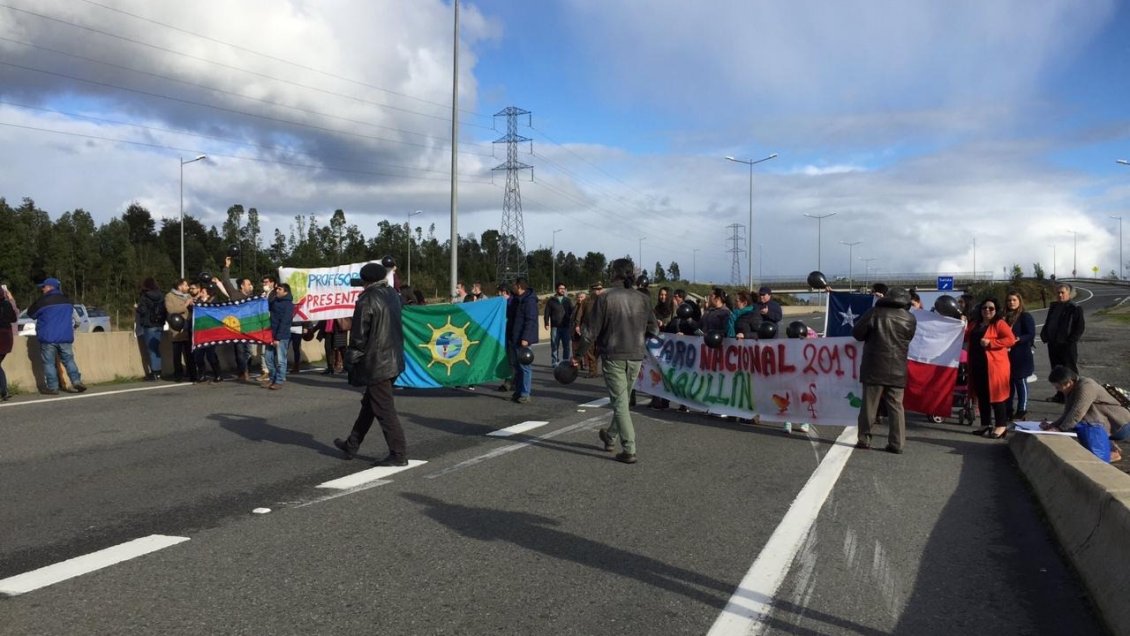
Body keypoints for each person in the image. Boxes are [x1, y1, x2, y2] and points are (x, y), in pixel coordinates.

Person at [575, 258, 658, 464]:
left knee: (620, 403)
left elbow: (589, 332)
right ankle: (610, 436)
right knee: (623, 401)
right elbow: (654, 328)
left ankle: (629, 449)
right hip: (636, 355)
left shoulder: (605, 298)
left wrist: (577, 356)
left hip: (614, 355)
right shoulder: (643, 298)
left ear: (615, 274)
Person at [334, 262, 409, 466]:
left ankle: (398, 453)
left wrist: (351, 359)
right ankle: (351, 444)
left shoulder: (366, 299)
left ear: (366, 281)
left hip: (377, 362)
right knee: (369, 405)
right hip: (393, 358)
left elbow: (359, 336)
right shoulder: (392, 294)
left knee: (384, 409)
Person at [852, 286, 916, 453]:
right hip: (898, 367)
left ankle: (864, 439)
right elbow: (908, 338)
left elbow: (857, 333)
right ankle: (897, 443)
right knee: (896, 407)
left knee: (869, 406)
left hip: (874, 366)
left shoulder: (875, 312)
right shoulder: (910, 318)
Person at [1040, 366, 1128, 462]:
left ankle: (1109, 450)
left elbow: (1077, 412)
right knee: (1078, 422)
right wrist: (1053, 426)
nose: (1057, 390)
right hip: (1106, 423)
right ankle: (1111, 447)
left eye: (1058, 387)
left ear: (1069, 383)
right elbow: (1068, 413)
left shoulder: (1086, 387)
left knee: (1084, 421)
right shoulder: (1072, 388)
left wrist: (1060, 429)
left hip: (1120, 425)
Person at [966, 297, 1017, 439]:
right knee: (982, 395)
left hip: (995, 367)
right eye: (984, 308)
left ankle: (1001, 426)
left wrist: (991, 343)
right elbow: (964, 336)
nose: (987, 310)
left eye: (991, 308)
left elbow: (1010, 339)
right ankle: (985, 424)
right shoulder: (975, 324)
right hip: (978, 364)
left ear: (996, 310)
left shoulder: (1000, 324)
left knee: (997, 396)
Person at [26, 277, 86, 395]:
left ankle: (53, 387)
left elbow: (30, 313)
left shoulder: (42, 301)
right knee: (69, 360)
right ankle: (76, 381)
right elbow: (76, 319)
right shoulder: (67, 301)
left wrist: (38, 302)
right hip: (65, 337)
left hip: (48, 338)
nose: (42, 289)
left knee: (49, 363)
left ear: (49, 287)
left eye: (43, 287)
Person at [1040, 283, 1085, 403]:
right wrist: (1045, 334)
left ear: (1068, 294)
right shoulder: (1054, 306)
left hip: (1067, 346)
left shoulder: (1074, 308)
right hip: (1053, 344)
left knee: (1070, 371)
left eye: (1062, 292)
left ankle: (1074, 397)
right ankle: (1060, 396)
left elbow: (1079, 328)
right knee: (1057, 371)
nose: (1060, 295)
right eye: (1058, 293)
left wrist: (1070, 341)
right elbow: (1048, 322)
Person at [218, 256, 255, 381]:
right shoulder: (235, 294)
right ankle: (243, 371)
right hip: (237, 328)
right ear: (242, 286)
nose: (251, 286)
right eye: (248, 284)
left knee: (248, 352)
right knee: (239, 351)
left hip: (249, 328)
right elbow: (226, 281)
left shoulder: (253, 298)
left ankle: (246, 369)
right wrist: (227, 267)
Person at [1003, 290, 1036, 421]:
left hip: (1021, 356)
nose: (1011, 303)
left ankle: (1022, 409)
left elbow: (1030, 334)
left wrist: (1018, 339)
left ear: (1019, 301)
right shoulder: (1004, 317)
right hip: (1007, 357)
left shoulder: (1025, 316)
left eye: (1014, 300)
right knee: (1008, 384)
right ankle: (1008, 409)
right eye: (1009, 300)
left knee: (1020, 383)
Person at [508, 277, 539, 403]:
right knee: (517, 367)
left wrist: (526, 338)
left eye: (514, 285)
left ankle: (525, 394)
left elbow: (530, 320)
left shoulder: (529, 301)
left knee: (525, 367)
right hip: (514, 337)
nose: (513, 287)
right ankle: (518, 391)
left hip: (523, 339)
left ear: (519, 286)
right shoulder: (516, 300)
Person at [164, 278, 196, 382]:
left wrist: (193, 305)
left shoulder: (188, 296)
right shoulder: (169, 296)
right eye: (186, 286)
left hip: (188, 328)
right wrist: (186, 304)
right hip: (176, 329)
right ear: (179, 286)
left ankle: (192, 374)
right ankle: (178, 375)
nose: (188, 288)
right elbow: (171, 310)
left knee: (189, 353)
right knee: (177, 354)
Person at [191, 284, 224, 384]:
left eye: (203, 292)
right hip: (200, 332)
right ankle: (202, 375)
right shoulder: (198, 302)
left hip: (211, 332)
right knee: (198, 356)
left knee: (211, 355)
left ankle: (218, 374)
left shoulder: (214, 301)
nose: (201, 293)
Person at [264, 283, 294, 389]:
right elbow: (265, 305)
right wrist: (269, 292)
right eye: (277, 289)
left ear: (285, 292)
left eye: (279, 289)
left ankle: (279, 381)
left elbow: (285, 322)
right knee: (268, 358)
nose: (277, 291)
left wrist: (278, 337)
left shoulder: (289, 305)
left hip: (281, 336)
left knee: (281, 360)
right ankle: (272, 378)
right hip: (270, 334)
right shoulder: (274, 301)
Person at [136, 277, 166, 381]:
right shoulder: (161, 295)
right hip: (159, 324)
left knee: (151, 350)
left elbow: (143, 310)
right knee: (156, 349)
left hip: (149, 325)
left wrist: (137, 307)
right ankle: (158, 372)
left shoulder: (145, 297)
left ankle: (154, 373)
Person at [544, 282, 573, 366]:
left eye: (564, 289)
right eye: (561, 288)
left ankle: (565, 361)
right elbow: (547, 313)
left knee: (566, 345)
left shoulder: (567, 300)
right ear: (556, 289)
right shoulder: (551, 301)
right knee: (554, 345)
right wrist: (546, 323)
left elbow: (572, 312)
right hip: (555, 327)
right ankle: (554, 361)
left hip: (566, 327)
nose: (562, 290)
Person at [0, 280, 17, 401]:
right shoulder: (7, 304)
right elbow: (14, 318)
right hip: (6, 338)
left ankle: (4, 391)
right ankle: (4, 391)